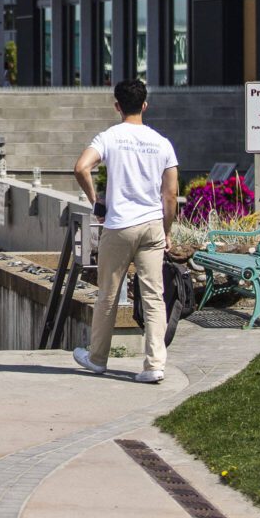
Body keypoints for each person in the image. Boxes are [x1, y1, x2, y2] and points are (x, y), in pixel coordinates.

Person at [71, 79, 178, 384]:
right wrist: (166, 231)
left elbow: (81, 168)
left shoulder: (109, 137)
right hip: (152, 226)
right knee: (154, 296)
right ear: (145, 105)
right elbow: (170, 195)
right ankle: (154, 364)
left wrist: (96, 202)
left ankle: (97, 358)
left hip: (119, 226)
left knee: (108, 294)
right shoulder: (162, 143)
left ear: (117, 105)